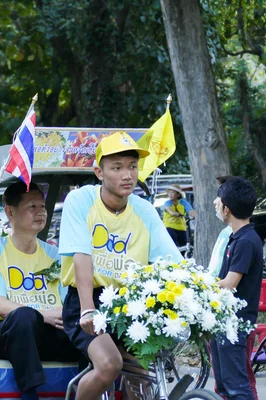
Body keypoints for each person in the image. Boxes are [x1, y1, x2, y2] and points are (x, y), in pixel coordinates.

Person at [58, 132, 182, 400]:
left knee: (146, 373)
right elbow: (82, 255)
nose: (127, 175)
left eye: (132, 167)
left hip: (130, 304)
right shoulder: (80, 201)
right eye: (117, 167)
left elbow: (173, 262)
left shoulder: (145, 210)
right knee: (109, 365)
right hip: (86, 300)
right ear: (99, 172)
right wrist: (87, 308)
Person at [0, 181, 79, 400]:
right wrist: (43, 314)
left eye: (42, 206)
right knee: (23, 316)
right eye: (32, 207)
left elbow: (67, 301)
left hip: (50, 333)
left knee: (86, 323)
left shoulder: (55, 255)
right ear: (10, 212)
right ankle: (29, 393)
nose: (40, 212)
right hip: (8, 335)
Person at [210, 177, 262, 400]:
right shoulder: (236, 237)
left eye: (218, 200)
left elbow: (230, 283)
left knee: (237, 387)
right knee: (224, 386)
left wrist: (196, 284)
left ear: (227, 209)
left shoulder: (246, 241)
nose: (214, 203)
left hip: (236, 325)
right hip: (225, 322)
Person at [162, 183, 196, 249]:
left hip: (181, 228)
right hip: (169, 227)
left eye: (172, 193)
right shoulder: (167, 203)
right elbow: (170, 211)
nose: (170, 194)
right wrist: (177, 214)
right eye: (169, 193)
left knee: (183, 247)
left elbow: (190, 211)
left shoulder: (183, 203)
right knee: (174, 246)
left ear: (178, 194)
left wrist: (197, 216)